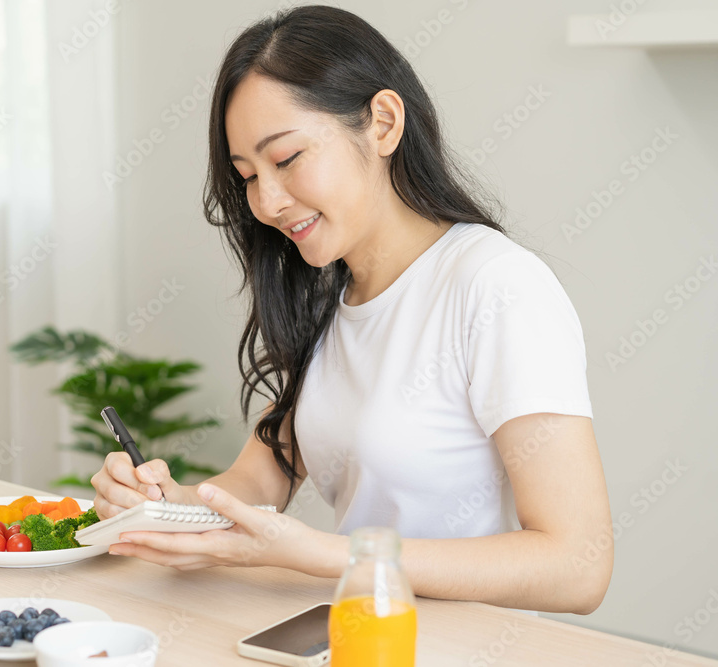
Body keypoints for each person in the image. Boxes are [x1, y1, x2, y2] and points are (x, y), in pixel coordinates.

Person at [92, 5, 612, 615]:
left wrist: (320, 554)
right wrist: (167, 505)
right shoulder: (324, 295)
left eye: (285, 160)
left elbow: (579, 566)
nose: (267, 201)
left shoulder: (496, 286)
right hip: (350, 633)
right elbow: (261, 480)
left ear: (383, 123)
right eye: (248, 176)